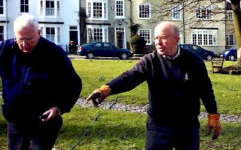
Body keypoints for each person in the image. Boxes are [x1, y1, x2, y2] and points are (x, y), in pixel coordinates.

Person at [87, 21, 221, 150]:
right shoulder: (150, 61)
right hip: (158, 125)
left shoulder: (193, 60)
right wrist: (108, 89)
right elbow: (130, 77)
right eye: (156, 38)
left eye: (163, 38)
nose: (158, 43)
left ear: (176, 39)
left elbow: (205, 89)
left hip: (187, 124)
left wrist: (213, 114)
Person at [0, 14, 82, 150]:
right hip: (15, 119)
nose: (24, 45)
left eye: (29, 39)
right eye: (20, 39)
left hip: (44, 120)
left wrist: (59, 107)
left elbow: (73, 84)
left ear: (38, 33)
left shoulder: (54, 53)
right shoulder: (5, 50)